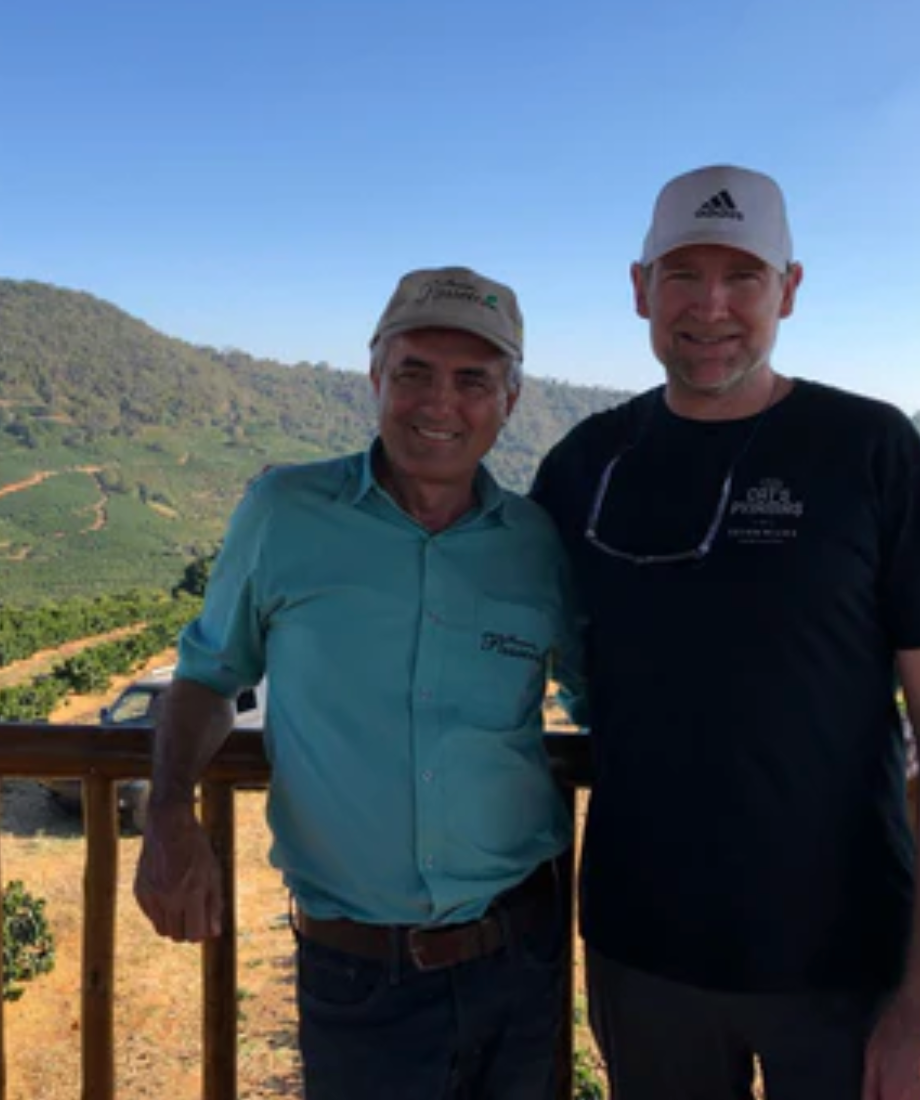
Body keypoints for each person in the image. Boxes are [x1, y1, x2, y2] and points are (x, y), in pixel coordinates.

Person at [531, 165, 920, 1100]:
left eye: (742, 276)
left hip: (847, 963)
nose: (711, 305)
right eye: (682, 274)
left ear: (787, 290)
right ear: (639, 289)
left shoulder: (872, 450)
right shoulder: (587, 462)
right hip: (641, 952)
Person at [135, 266, 584, 1100]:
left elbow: (602, 702)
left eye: (473, 380)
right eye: (413, 371)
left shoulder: (537, 544)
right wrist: (167, 810)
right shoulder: (284, 511)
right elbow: (206, 673)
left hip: (523, 954)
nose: (439, 403)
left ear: (510, 402)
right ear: (375, 378)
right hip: (356, 973)